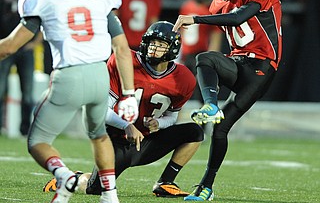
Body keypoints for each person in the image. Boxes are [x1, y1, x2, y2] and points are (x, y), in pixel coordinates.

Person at [0, 0, 138, 203]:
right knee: (99, 135)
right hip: (99, 76)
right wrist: (128, 94)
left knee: (38, 141)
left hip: (69, 77)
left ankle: (64, 176)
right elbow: (121, 48)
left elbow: (9, 46)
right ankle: (110, 196)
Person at [43, 21, 204, 198]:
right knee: (94, 188)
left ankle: (165, 183)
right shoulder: (125, 61)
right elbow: (101, 109)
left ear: (172, 49)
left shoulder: (183, 78)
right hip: (117, 139)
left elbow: (172, 117)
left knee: (194, 132)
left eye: (160, 45)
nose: (153, 48)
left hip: (146, 140)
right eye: (152, 43)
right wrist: (126, 125)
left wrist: (159, 123)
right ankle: (68, 179)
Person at [173, 0, 282, 201]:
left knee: (207, 58)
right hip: (239, 63)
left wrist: (197, 19)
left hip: (261, 68)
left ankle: (212, 106)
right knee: (219, 127)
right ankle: (206, 188)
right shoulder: (216, 3)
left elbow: (239, 17)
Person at [0, 0, 41, 136]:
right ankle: (1, 127)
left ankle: (25, 130)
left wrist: (36, 42)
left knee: (28, 91)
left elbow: (43, 20)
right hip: (6, 46)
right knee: (0, 88)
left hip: (25, 48)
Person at [179, 0, 222, 103]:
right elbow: (181, 31)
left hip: (201, 53)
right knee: (180, 88)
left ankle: (205, 116)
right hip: (186, 54)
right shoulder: (186, 6)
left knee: (202, 88)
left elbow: (216, 36)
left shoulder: (211, 10)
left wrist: (211, 59)